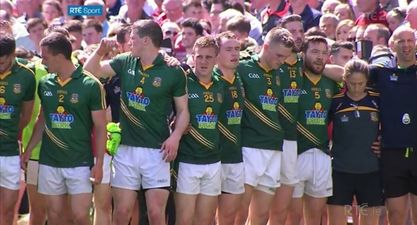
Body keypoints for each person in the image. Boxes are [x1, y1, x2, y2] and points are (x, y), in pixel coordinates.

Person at [83, 19, 189, 225]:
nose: (129, 42)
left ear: (146, 41)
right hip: (125, 149)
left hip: (157, 151)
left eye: (133, 38)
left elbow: (184, 111)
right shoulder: (126, 61)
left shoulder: (173, 71)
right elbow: (90, 72)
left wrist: (175, 137)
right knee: (121, 212)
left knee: (156, 213)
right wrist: (99, 51)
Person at [22, 32, 106, 225]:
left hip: (80, 162)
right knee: (54, 216)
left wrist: (99, 162)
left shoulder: (90, 84)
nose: (42, 62)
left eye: (45, 57)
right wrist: (28, 150)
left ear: (59, 57)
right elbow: (42, 119)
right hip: (50, 161)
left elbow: (101, 127)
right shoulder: (45, 83)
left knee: (79, 216)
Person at [234, 27, 294, 225]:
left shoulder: (280, 72)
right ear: (265, 46)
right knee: (238, 210)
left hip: (274, 147)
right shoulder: (242, 67)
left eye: (285, 57)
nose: (281, 61)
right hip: (249, 146)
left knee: (261, 215)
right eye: (278, 55)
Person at [286, 36, 340, 225]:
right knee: (291, 217)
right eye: (315, 52)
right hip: (295, 153)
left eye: (324, 53)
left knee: (315, 218)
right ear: (303, 54)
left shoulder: (331, 83)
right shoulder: (291, 77)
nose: (320, 57)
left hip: (322, 153)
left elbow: (349, 75)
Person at [369, 26, 417, 225]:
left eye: (410, 40)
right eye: (401, 41)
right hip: (392, 153)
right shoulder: (380, 73)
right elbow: (346, 73)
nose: (406, 45)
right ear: (391, 45)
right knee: (396, 215)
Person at [174, 35, 224, 225]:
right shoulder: (183, 81)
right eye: (199, 56)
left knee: (205, 220)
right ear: (192, 56)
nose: (203, 61)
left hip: (213, 160)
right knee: (184, 220)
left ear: (216, 59)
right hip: (187, 160)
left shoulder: (221, 84)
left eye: (208, 57)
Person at [327, 59, 384, 225]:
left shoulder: (377, 100)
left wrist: (384, 142)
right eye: (352, 83)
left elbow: (391, 126)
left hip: (370, 172)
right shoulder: (336, 101)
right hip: (340, 171)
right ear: (344, 79)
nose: (357, 88)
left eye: (361, 83)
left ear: (367, 80)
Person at [268, 14, 304, 225]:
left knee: (281, 209)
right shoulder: (265, 61)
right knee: (256, 205)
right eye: (293, 31)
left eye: (301, 30)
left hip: (290, 139)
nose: (298, 36)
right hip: (263, 139)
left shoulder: (306, 60)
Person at [0, 34, 36, 225]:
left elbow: (26, 116)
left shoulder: (26, 76)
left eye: (3, 62)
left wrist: (8, 132)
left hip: (11, 152)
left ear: (13, 55)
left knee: (8, 211)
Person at [214, 31, 245, 225]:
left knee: (228, 218)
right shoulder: (210, 79)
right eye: (228, 49)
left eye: (237, 49)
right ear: (217, 54)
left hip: (235, 156)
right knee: (206, 217)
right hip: (211, 157)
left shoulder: (240, 79)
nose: (234, 53)